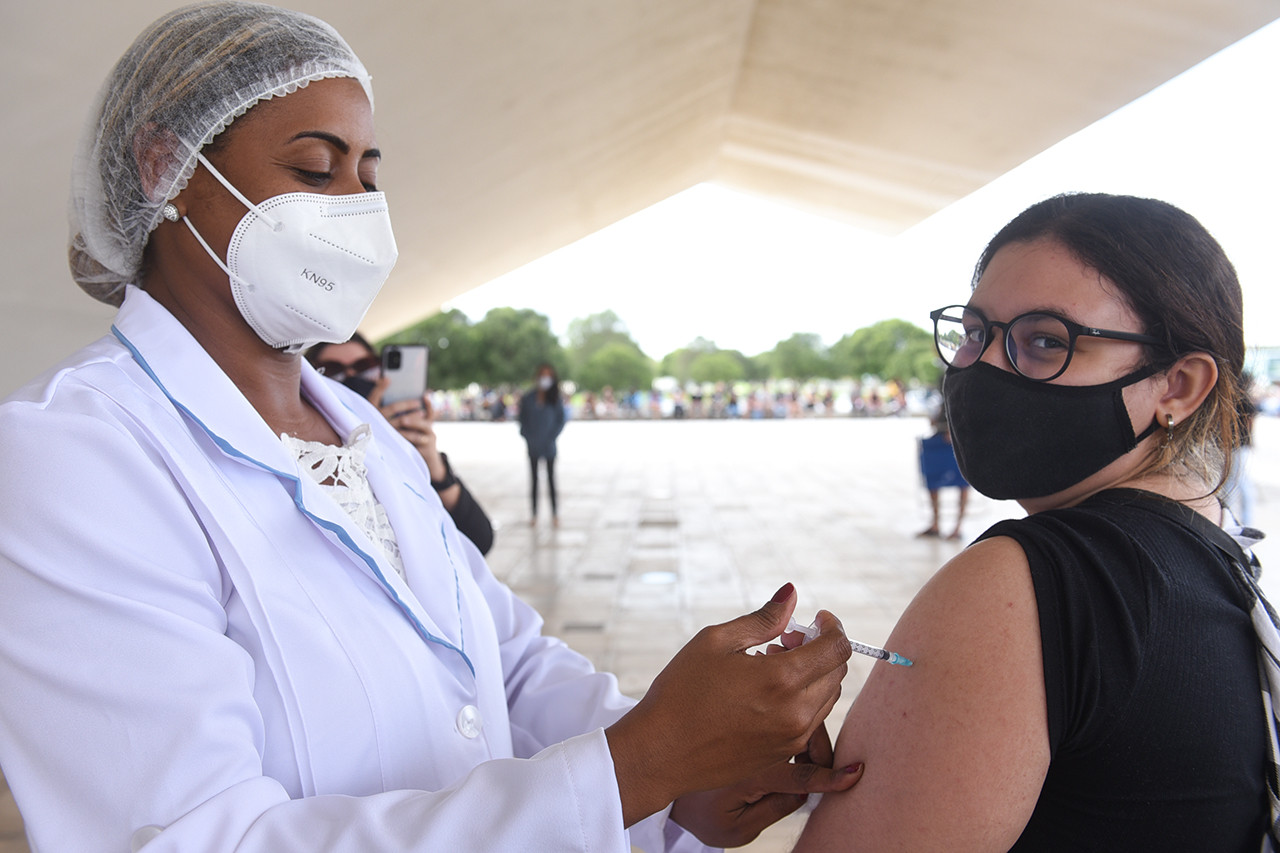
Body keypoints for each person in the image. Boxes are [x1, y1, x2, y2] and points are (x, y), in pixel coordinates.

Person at [0, 5, 861, 851]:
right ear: (165, 167)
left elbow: (508, 665)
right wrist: (637, 765)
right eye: (313, 170)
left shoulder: (360, 429)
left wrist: (684, 783)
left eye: (368, 176)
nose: (355, 209)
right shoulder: (75, 452)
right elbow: (196, 837)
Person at [794, 193, 1278, 851]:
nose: (983, 367)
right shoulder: (1215, 549)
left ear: (1178, 386)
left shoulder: (1022, 583)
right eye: (974, 332)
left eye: (1046, 340)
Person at [307, 333, 495, 554]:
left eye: (365, 367)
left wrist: (432, 465)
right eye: (332, 371)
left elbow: (479, 539)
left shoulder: (405, 445)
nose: (352, 377)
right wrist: (372, 440)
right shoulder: (313, 456)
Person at [518, 363, 566, 526]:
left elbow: (560, 420)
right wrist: (528, 437)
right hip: (533, 446)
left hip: (549, 445)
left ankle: (554, 513)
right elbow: (522, 421)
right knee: (534, 481)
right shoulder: (528, 398)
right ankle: (534, 514)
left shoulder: (555, 399)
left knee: (551, 480)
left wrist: (551, 437)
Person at [915, 409, 969, 540]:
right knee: (933, 481)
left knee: (963, 484)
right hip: (940, 441)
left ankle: (957, 527)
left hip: (958, 439)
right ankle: (935, 524)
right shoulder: (941, 398)